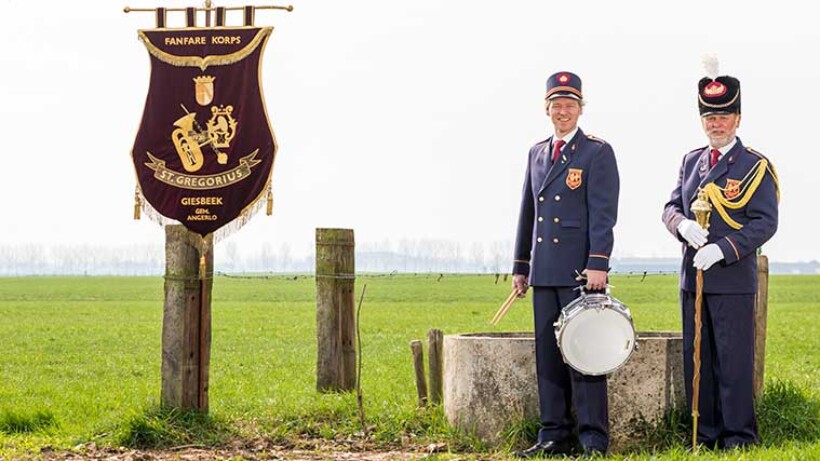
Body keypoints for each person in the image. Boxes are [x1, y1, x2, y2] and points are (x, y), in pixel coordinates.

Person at [662, 68, 779, 449]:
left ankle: (739, 438)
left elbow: (765, 223)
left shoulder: (754, 166)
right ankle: (705, 435)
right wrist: (680, 226)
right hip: (692, 278)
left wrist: (721, 249)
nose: (716, 123)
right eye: (710, 116)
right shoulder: (691, 160)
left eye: (723, 115)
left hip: (731, 279)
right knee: (698, 360)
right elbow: (670, 206)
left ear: (738, 119)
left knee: (733, 363)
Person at [511, 71, 620, 457]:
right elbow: (529, 212)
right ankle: (553, 434)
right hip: (544, 272)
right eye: (556, 105)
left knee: (586, 353)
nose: (563, 112)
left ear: (580, 108)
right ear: (547, 109)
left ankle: (593, 438)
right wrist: (521, 267)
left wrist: (598, 263)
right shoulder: (537, 152)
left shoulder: (596, 152)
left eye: (570, 105)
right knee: (549, 358)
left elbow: (604, 214)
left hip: (581, 273)